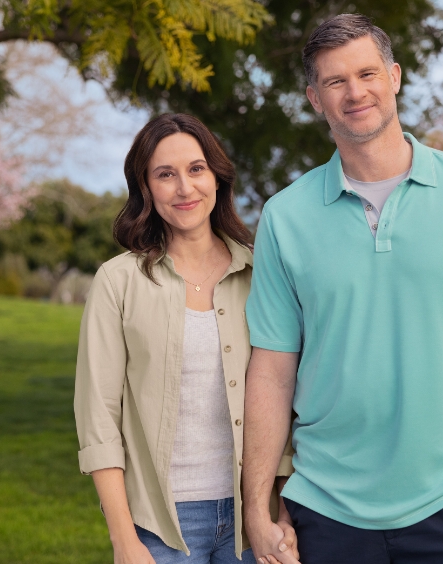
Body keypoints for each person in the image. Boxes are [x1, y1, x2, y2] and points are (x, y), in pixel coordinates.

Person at [242, 14, 443, 564]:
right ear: (314, 98)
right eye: (335, 82)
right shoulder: (285, 217)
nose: (355, 92)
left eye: (367, 73)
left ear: (394, 76)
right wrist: (256, 506)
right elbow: (270, 370)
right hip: (325, 510)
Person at [74, 114, 297, 564]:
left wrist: (285, 513)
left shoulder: (263, 275)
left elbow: (290, 401)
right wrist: (124, 541)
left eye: (196, 169)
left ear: (217, 176)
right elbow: (98, 419)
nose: (184, 188)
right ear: (146, 188)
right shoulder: (117, 282)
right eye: (165, 174)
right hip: (159, 526)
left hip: (253, 518)